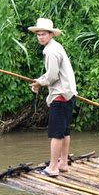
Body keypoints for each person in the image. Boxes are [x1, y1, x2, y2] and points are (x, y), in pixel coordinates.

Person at [28, 18, 77, 177]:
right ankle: (63, 163)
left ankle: (53, 167)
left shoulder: (51, 51)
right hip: (68, 94)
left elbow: (52, 76)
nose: (40, 37)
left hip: (60, 96)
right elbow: (52, 74)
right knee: (64, 130)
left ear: (51, 34)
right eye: (38, 34)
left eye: (44, 34)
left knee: (56, 132)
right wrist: (40, 81)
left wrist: (40, 82)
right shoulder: (55, 47)